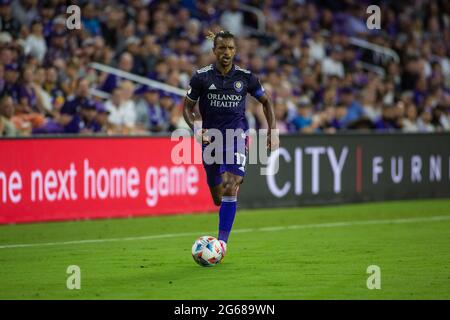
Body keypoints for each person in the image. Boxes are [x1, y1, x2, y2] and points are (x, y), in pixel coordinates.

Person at [182, 30, 277, 261]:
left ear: (235, 50)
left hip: (237, 136)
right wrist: (196, 127)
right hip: (211, 139)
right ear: (214, 51)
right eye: (222, 48)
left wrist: (272, 131)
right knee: (217, 196)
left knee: (231, 185)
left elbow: (266, 102)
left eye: (230, 48)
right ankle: (222, 211)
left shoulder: (246, 78)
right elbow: (187, 107)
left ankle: (221, 244)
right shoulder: (201, 77)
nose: (226, 53)